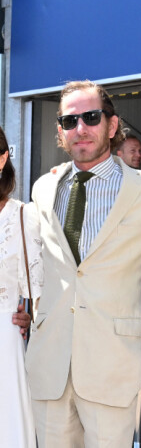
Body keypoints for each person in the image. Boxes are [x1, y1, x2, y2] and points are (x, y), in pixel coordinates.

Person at [26, 80, 141, 448]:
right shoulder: (43, 188)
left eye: (91, 117)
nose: (81, 128)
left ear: (112, 124)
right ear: (60, 131)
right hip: (50, 365)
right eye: (70, 121)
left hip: (114, 366)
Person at [0, 127, 43, 448]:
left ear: (3, 158)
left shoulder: (24, 216)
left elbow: (40, 292)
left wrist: (32, 317)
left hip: (6, 344)